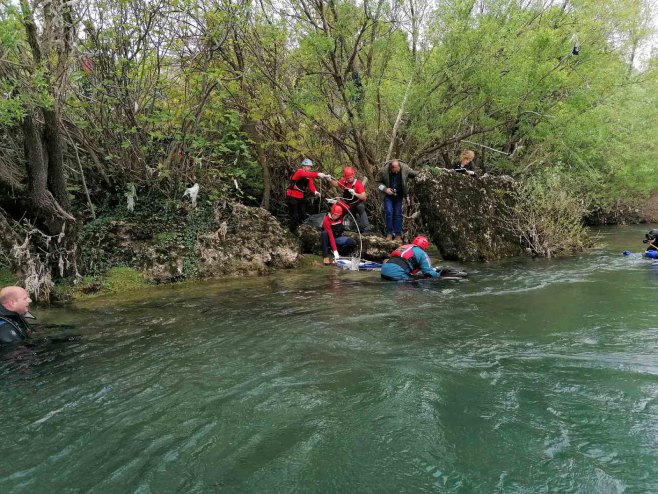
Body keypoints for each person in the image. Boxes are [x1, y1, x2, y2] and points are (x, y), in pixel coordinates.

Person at [375, 159, 418, 241]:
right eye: (395, 171)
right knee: (389, 212)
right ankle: (389, 234)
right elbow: (377, 182)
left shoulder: (404, 168)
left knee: (398, 214)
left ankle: (398, 235)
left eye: (398, 171)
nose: (397, 172)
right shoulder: (383, 171)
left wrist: (425, 173)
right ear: (392, 168)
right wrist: (385, 189)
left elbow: (414, 174)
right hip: (387, 195)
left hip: (399, 195)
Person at [286, 158, 329, 231]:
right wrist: (318, 174)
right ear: (303, 166)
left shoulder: (309, 175)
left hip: (300, 196)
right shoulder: (299, 172)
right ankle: (292, 231)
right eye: (308, 166)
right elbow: (306, 174)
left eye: (310, 166)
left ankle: (301, 229)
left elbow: (311, 184)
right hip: (292, 196)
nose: (309, 168)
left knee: (303, 214)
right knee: (294, 216)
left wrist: (315, 191)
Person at [329, 166, 371, 233]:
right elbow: (336, 184)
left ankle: (367, 229)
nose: (349, 179)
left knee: (360, 207)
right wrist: (329, 179)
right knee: (338, 206)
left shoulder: (358, 184)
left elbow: (364, 197)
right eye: (347, 178)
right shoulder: (344, 181)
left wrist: (355, 194)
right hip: (348, 203)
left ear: (353, 175)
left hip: (358, 203)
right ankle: (338, 227)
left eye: (350, 177)